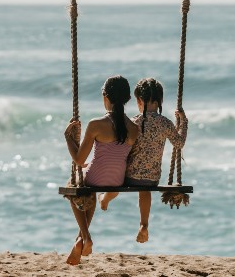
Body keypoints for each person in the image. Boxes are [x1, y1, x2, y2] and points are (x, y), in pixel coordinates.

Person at [99, 77, 188, 244]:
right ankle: (143, 224)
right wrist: (184, 121)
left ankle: (105, 199)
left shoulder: (134, 122)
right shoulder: (165, 123)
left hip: (128, 176)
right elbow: (179, 143)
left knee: (117, 180)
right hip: (152, 178)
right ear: (160, 100)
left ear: (139, 100)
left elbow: (119, 145)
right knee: (144, 191)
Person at [62, 75, 140, 265]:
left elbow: (79, 160)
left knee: (73, 187)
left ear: (105, 96)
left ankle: (86, 237)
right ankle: (79, 241)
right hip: (117, 180)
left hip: (96, 177)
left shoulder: (96, 125)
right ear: (128, 99)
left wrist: (68, 138)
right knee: (91, 193)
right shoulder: (134, 128)